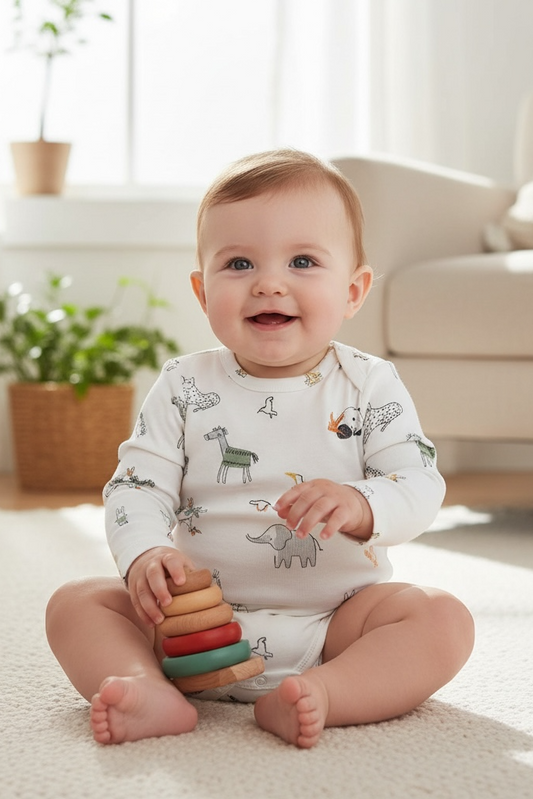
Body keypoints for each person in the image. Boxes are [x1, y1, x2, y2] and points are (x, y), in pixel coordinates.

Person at [46, 149, 474, 748]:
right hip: (191, 625)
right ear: (202, 291)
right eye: (239, 263)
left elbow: (419, 482)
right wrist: (144, 556)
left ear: (353, 291)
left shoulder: (369, 384)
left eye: (302, 261)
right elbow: (136, 486)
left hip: (335, 626)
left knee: (441, 619)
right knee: (76, 604)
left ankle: (325, 693)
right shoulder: (184, 385)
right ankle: (148, 689)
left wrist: (362, 504)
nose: (269, 282)